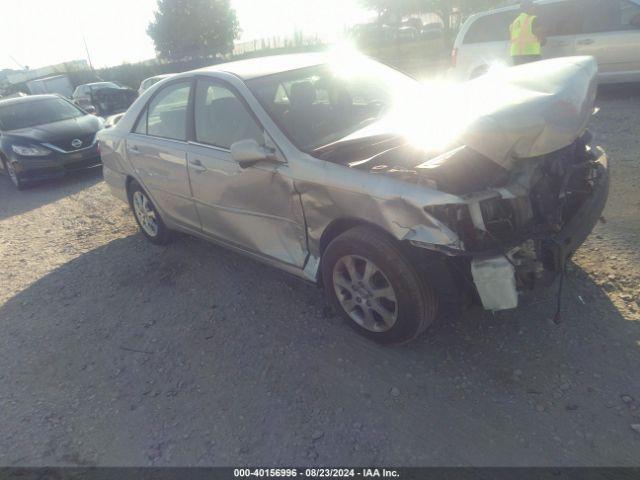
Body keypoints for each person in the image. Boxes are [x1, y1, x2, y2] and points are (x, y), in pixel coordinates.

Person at [509, 0, 544, 66]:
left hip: (516, 55)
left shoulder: (515, 21)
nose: (534, 9)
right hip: (530, 54)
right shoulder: (533, 19)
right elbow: (542, 40)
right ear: (531, 8)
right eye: (533, 7)